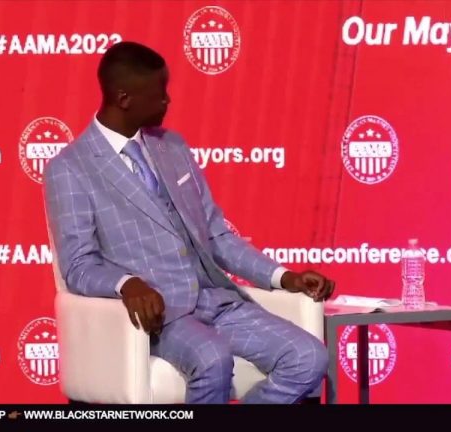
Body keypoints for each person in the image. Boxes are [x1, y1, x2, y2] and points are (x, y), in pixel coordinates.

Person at [44, 41, 335, 404]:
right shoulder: (71, 168)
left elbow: (216, 234)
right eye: (159, 92)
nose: (167, 100)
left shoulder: (173, 146)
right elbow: (78, 265)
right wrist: (126, 284)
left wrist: (283, 277)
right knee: (212, 359)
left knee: (309, 357)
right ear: (124, 98)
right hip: (161, 315)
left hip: (217, 300)